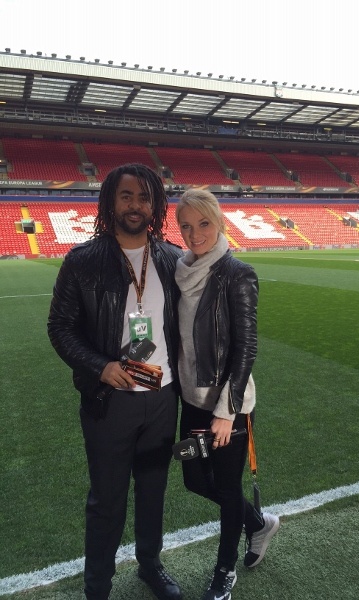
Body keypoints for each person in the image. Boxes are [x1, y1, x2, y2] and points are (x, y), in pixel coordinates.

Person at [48, 163, 183, 600]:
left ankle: (150, 565)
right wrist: (100, 366)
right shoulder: (83, 261)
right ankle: (97, 587)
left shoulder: (172, 258)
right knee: (107, 500)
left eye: (144, 197)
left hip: (162, 397)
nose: (135, 205)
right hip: (110, 400)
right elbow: (60, 328)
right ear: (110, 201)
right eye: (126, 196)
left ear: (155, 206)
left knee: (153, 491)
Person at [174, 189, 280, 600]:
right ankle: (257, 523)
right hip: (191, 401)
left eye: (203, 223)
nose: (194, 233)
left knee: (228, 487)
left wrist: (227, 410)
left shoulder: (238, 274)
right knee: (194, 480)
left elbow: (246, 348)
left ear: (219, 223)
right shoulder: (182, 270)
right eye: (186, 225)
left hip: (227, 408)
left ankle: (224, 570)